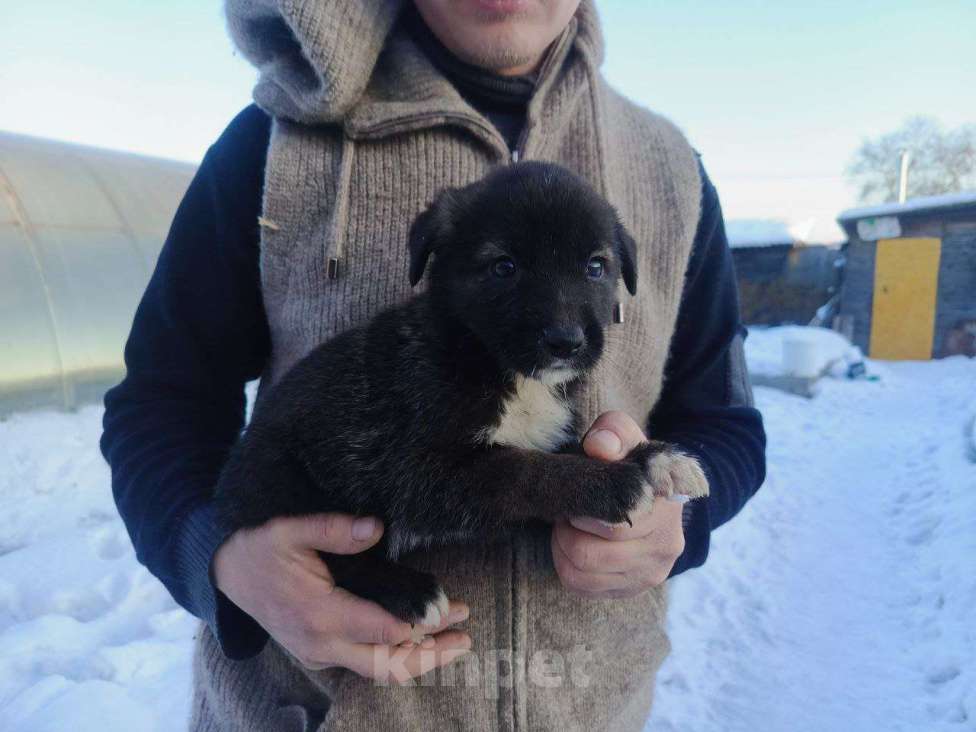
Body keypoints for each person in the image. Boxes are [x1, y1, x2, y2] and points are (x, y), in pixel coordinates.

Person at [100, 0, 766, 729]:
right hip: (314, 705)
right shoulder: (271, 141)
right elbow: (161, 402)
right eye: (505, 268)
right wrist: (220, 559)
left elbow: (726, 425)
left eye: (598, 269)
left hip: (589, 706)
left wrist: (676, 520)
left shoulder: (674, 175)